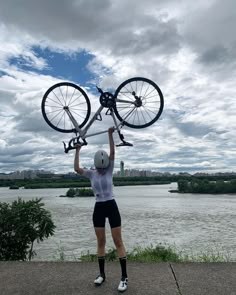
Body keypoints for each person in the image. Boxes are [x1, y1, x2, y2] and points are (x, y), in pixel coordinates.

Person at [74, 127, 128, 292]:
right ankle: (102, 274)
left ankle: (124, 278)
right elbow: (77, 169)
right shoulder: (91, 173)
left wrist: (109, 135)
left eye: (104, 167)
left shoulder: (110, 169)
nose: (102, 169)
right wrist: (77, 150)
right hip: (99, 206)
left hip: (111, 205)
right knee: (101, 242)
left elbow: (112, 154)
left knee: (118, 241)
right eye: (100, 167)